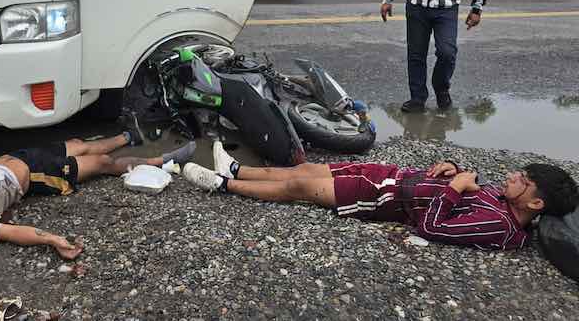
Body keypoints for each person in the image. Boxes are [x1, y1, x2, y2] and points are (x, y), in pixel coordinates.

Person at [181, 142, 578, 251]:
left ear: (536, 203)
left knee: (298, 188)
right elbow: (467, 190)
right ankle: (236, 168)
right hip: (392, 177)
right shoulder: (503, 202)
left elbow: (434, 226)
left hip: (382, 200)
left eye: (522, 180)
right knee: (309, 170)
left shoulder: (500, 226)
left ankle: (224, 185)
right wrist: (453, 170)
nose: (512, 177)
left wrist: (454, 188)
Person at [0, 128, 196, 261]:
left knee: (79, 143)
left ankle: (131, 134)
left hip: (13, 157)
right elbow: (14, 233)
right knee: (101, 164)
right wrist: (53, 240)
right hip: (34, 176)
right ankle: (164, 161)